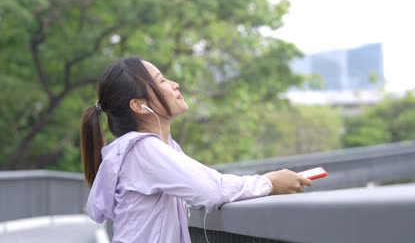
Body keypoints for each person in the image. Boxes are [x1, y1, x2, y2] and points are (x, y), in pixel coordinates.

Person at [81, 56, 312, 243]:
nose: (174, 84)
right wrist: (270, 182)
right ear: (140, 106)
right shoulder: (143, 150)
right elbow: (213, 190)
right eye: (161, 81)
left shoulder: (162, 148)